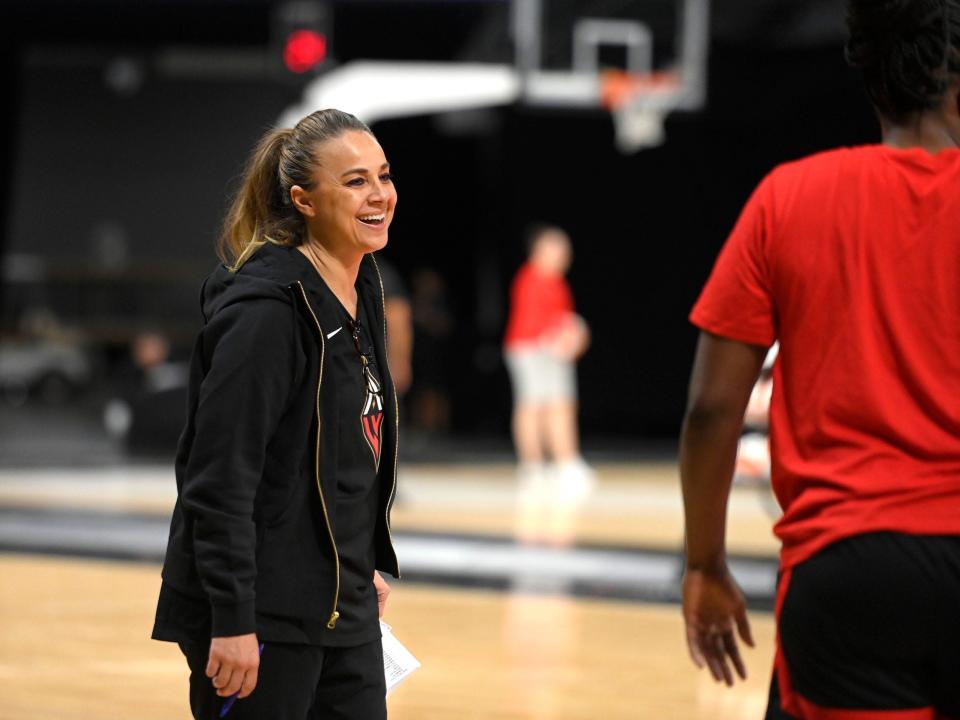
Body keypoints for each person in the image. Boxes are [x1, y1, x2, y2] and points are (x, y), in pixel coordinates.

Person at [678, 1, 960, 717]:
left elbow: (713, 408)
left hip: (850, 565)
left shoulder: (788, 196)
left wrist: (705, 564)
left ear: (871, 81)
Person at [151, 108, 401, 720]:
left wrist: (354, 559)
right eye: (355, 181)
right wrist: (233, 618)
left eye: (384, 176)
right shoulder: (266, 314)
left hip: (341, 609)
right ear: (303, 200)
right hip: (261, 617)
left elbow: (339, 455)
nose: (379, 195)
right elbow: (219, 479)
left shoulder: (361, 285)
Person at [504, 224, 593, 502]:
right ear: (540, 250)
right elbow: (536, 323)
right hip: (530, 350)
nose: (564, 255)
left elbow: (563, 321)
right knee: (533, 405)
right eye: (558, 248)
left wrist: (574, 336)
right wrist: (564, 336)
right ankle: (534, 466)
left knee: (559, 404)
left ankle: (564, 463)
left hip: (550, 352)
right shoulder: (530, 279)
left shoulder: (557, 283)